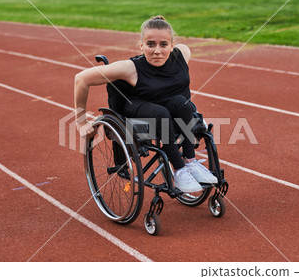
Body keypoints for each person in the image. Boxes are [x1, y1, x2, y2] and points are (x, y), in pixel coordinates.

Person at [74, 16, 217, 193]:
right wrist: (80, 122)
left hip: (169, 104)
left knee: (183, 104)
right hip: (137, 107)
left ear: (172, 45)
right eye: (150, 44)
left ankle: (190, 161)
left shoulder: (183, 54)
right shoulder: (129, 68)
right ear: (141, 45)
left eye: (164, 45)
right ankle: (180, 170)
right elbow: (81, 79)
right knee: (161, 114)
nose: (157, 51)